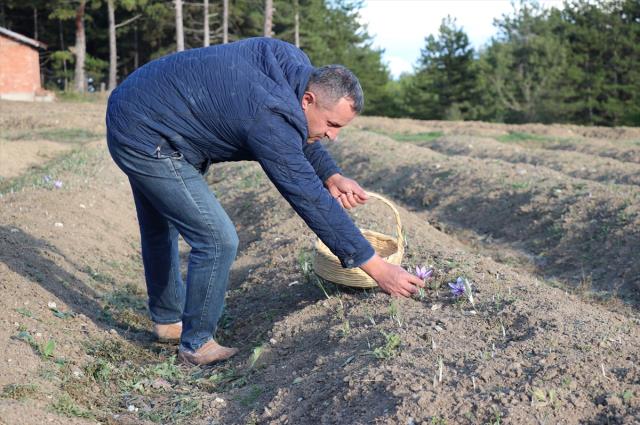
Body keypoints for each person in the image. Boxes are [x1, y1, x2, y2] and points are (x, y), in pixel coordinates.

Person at [106, 37, 424, 366]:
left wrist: (332, 175)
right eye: (332, 124)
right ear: (309, 99)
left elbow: (295, 131)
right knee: (218, 239)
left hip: (139, 103)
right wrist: (375, 267)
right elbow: (307, 196)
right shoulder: (269, 111)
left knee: (163, 225)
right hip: (147, 135)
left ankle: (169, 320)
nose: (333, 135)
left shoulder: (293, 67)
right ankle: (196, 343)